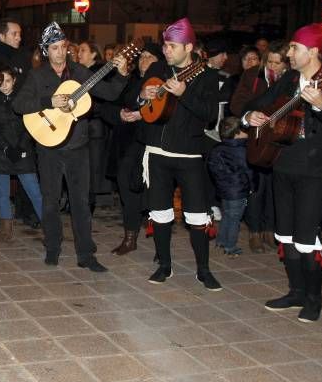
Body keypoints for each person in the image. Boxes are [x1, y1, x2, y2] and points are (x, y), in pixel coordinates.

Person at [244, 23, 322, 322]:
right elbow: (261, 103)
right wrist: (249, 115)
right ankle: (295, 291)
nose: (289, 52)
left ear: (313, 51)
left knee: (307, 236)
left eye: (295, 48)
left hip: (314, 168)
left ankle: (313, 298)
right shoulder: (290, 77)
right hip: (282, 162)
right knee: (286, 233)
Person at [13, 22, 129, 271]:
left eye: (63, 47)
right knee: (50, 201)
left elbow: (109, 93)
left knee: (80, 203)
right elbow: (19, 105)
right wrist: (48, 101)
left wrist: (121, 74)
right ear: (46, 51)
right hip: (48, 148)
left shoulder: (80, 73)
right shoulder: (37, 75)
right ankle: (52, 248)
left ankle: (86, 254)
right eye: (54, 48)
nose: (59, 52)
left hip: (78, 147)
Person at [135, 18, 222, 290]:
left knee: (197, 215)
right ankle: (164, 265)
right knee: (159, 211)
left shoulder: (206, 75)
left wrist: (184, 94)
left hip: (188, 154)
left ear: (189, 47)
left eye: (172, 46)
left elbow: (209, 116)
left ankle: (204, 270)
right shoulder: (158, 68)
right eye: (165, 45)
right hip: (157, 151)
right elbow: (138, 101)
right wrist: (142, 95)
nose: (166, 50)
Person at [103, 41, 162, 255]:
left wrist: (141, 112)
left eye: (150, 57)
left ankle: (158, 238)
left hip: (152, 143)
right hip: (126, 143)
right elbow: (111, 104)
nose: (144, 60)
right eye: (142, 56)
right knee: (127, 187)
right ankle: (130, 237)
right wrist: (120, 114)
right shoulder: (130, 80)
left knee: (154, 192)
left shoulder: (161, 82)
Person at [230, 41, 289, 253]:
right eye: (269, 61)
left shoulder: (292, 78)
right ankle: (254, 232)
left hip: (282, 139)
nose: (272, 66)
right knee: (256, 185)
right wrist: (250, 113)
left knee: (275, 186)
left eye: (277, 63)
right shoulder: (252, 75)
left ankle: (270, 230)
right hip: (256, 136)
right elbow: (236, 103)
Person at [0, 65, 43, 242]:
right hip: (0, 152)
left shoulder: (23, 99)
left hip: (22, 149)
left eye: (8, 81)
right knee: (2, 192)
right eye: (1, 81)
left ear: (15, 81)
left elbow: (31, 124)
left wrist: (21, 145)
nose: (4, 85)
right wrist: (5, 148)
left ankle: (50, 226)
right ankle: (6, 229)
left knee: (34, 189)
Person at [207, 117, 254, 257]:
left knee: (227, 215)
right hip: (238, 191)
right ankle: (230, 246)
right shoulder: (242, 150)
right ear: (238, 133)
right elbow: (249, 171)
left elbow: (210, 166)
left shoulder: (217, 148)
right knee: (234, 219)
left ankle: (221, 240)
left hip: (224, 190)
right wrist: (252, 186)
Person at [78, 41, 112, 210]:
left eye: (83, 50)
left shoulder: (100, 73)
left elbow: (102, 100)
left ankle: (88, 203)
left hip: (94, 125)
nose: (79, 53)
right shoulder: (77, 72)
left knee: (92, 167)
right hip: (80, 125)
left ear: (93, 54)